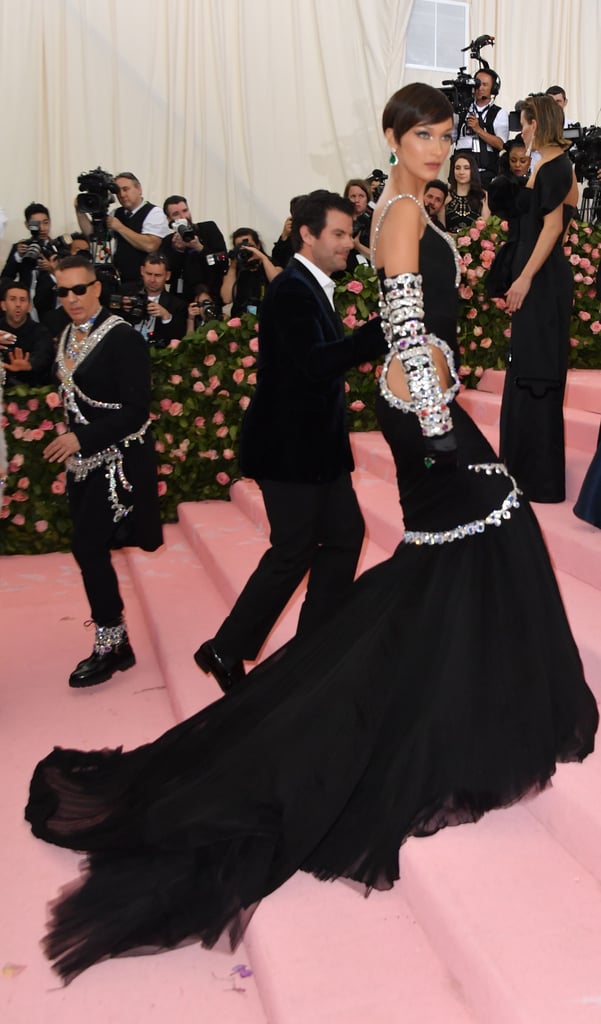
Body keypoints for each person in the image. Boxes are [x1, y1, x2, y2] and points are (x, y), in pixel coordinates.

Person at [25, 85, 597, 986]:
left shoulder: (410, 207)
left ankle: (450, 707)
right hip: (425, 411)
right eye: (423, 134)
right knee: (482, 542)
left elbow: (420, 326)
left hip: (425, 396)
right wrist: (437, 420)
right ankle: (434, 717)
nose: (440, 146)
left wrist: (435, 379)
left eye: (447, 133)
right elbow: (405, 323)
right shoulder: (403, 212)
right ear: (392, 140)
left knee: (464, 556)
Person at [196, 190, 387, 690]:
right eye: (341, 234)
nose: (350, 243)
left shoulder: (309, 285)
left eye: (352, 233)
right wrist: (381, 329)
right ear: (308, 234)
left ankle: (314, 646)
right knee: (293, 550)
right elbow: (316, 363)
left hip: (317, 449)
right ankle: (224, 649)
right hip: (290, 449)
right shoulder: (293, 290)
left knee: (344, 536)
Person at [42, 255, 163, 687]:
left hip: (119, 463)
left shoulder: (122, 338)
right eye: (62, 291)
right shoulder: (67, 335)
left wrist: (81, 439)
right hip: (84, 465)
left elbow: (136, 411)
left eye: (79, 289)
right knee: (88, 548)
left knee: (87, 547)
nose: (71, 299)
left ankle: (112, 643)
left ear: (97, 288)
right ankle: (114, 641)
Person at [491, 94, 579, 503]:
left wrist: (525, 277)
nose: (520, 129)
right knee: (525, 368)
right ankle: (520, 471)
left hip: (543, 282)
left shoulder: (558, 165)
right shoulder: (543, 161)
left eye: (524, 122)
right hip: (535, 277)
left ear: (538, 121)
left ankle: (539, 479)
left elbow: (551, 228)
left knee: (537, 373)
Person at [76, 173, 170, 287]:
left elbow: (150, 245)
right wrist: (80, 211)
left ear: (139, 188)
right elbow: (93, 236)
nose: (122, 195)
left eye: (126, 189)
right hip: (119, 281)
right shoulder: (116, 213)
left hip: (144, 283)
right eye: (118, 191)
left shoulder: (154, 213)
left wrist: (120, 227)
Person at [162, 194, 227, 302]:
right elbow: (168, 277)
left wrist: (199, 247)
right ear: (169, 219)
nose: (183, 217)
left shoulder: (208, 229)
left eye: (185, 210)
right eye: (176, 214)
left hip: (212, 295)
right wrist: (179, 251)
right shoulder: (168, 241)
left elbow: (223, 262)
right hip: (182, 300)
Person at [0, 203, 59, 321]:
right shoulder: (20, 247)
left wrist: (52, 270)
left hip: (50, 307)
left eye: (46, 222)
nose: (42, 228)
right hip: (23, 308)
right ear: (27, 225)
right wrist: (18, 256)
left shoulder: (58, 248)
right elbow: (6, 278)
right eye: (36, 224)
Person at [454, 68, 509, 187]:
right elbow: (450, 138)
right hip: (459, 172)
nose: (480, 88)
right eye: (478, 83)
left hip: (485, 174)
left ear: (493, 89)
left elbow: (501, 144)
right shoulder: (461, 110)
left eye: (485, 84)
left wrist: (478, 130)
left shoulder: (499, 113)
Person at [121, 253, 187, 348]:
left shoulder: (177, 305)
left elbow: (177, 338)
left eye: (158, 275)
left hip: (157, 354)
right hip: (126, 348)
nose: (152, 279)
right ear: (142, 271)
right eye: (149, 274)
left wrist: (166, 316)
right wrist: (122, 308)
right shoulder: (126, 292)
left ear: (167, 276)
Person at [0, 281, 54, 386]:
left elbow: (43, 355)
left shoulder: (41, 332)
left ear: (29, 306)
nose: (18, 304)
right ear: (3, 305)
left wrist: (29, 364)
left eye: (23, 300)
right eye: (12, 299)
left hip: (30, 390)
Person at [220, 227, 282, 317]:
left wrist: (262, 258)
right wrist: (233, 266)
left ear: (258, 246)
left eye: (249, 246)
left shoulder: (271, 264)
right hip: (241, 321)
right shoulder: (234, 270)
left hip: (268, 318)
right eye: (240, 247)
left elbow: (278, 284)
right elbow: (227, 298)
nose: (245, 249)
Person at [444, 151, 489, 232]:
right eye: (457, 168)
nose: (461, 172)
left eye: (466, 168)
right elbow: (440, 229)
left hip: (474, 243)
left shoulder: (482, 195)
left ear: (473, 171)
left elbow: (486, 227)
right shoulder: (446, 195)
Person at [342, 178, 373, 267]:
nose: (357, 200)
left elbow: (381, 258)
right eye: (353, 196)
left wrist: (357, 246)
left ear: (367, 199)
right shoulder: (341, 222)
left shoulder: (376, 222)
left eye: (361, 196)